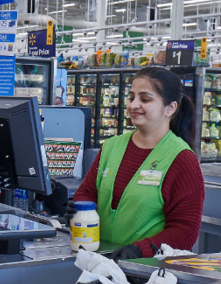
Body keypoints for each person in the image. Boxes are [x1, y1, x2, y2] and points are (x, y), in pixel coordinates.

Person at [72, 66, 205, 260]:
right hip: (98, 260)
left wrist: (141, 250)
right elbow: (88, 191)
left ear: (170, 108)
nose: (134, 105)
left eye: (145, 99)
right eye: (131, 97)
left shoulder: (181, 158)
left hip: (148, 271)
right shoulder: (112, 146)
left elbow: (185, 230)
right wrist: (80, 206)